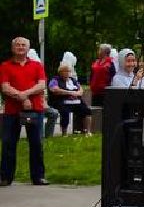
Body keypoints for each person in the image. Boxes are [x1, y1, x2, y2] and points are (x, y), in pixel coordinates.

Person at [0, 36, 49, 186]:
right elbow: (5, 87)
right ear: (12, 48)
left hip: (34, 109)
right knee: (8, 143)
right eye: (18, 45)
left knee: (36, 143)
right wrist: (22, 98)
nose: (20, 47)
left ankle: (38, 177)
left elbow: (41, 85)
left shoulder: (37, 65)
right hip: (12, 110)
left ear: (28, 48)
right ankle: (5, 177)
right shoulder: (5, 65)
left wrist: (25, 94)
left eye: (23, 45)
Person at [48, 60, 89, 135]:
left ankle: (87, 131)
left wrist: (77, 94)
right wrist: (70, 92)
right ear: (60, 72)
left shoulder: (73, 80)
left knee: (85, 110)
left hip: (75, 101)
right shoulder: (55, 80)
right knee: (65, 111)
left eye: (68, 71)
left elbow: (81, 90)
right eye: (65, 71)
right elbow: (54, 90)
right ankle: (64, 133)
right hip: (60, 101)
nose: (67, 73)